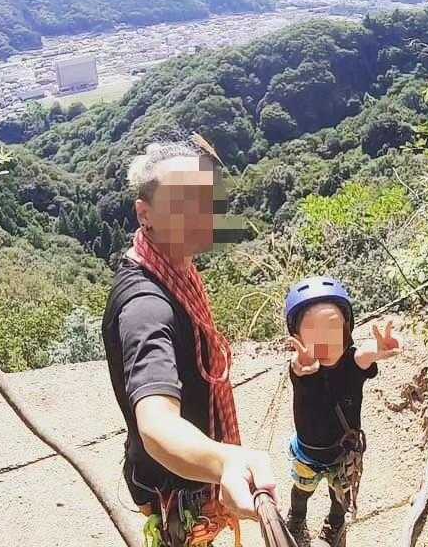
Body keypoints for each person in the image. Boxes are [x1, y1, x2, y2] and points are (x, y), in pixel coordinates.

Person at [102, 135, 277, 547]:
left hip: (181, 470)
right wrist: (224, 459)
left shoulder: (175, 271)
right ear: (145, 213)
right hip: (174, 485)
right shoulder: (146, 306)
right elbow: (157, 424)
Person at [281, 277, 402, 547]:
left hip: (343, 453)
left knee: (340, 497)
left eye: (333, 328)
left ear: (346, 329)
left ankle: (334, 525)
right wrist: (300, 366)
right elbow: (300, 369)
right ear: (297, 337)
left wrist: (379, 349)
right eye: (313, 331)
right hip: (308, 453)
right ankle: (297, 518)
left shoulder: (353, 361)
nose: (325, 338)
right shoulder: (302, 368)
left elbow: (365, 354)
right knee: (301, 491)